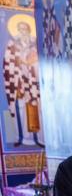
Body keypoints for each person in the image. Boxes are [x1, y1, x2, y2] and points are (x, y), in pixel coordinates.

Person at [3, 19, 43, 147]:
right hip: (19, 83)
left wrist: (30, 64)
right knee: (20, 108)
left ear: (29, 30)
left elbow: (39, 62)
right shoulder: (12, 44)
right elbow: (8, 64)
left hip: (34, 84)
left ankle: (40, 138)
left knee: (38, 109)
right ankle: (23, 137)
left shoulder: (35, 43)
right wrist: (17, 78)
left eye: (25, 28)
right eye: (20, 29)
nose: (22, 31)